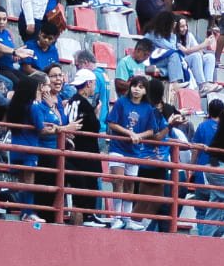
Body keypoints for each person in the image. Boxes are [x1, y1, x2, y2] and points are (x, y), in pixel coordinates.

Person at [106, 75, 165, 230]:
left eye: (141, 87)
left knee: (129, 185)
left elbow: (152, 130)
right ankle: (116, 217)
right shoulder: (121, 102)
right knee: (118, 181)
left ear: (145, 91)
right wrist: (129, 133)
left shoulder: (148, 108)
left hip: (134, 151)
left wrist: (139, 136)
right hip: (118, 148)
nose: (136, 90)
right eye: (134, 86)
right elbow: (111, 123)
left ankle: (127, 218)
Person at [62, 68, 106, 227]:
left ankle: (86, 216)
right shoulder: (84, 104)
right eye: (93, 83)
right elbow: (94, 127)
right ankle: (88, 216)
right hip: (85, 151)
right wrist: (96, 113)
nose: (94, 87)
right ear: (88, 83)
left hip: (73, 149)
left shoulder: (71, 102)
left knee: (79, 188)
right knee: (89, 183)